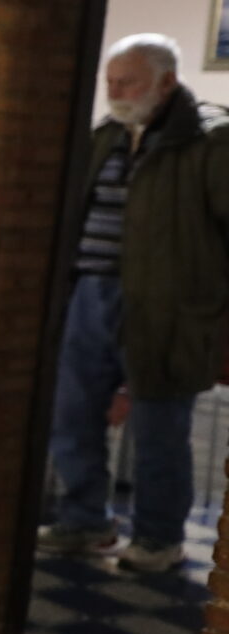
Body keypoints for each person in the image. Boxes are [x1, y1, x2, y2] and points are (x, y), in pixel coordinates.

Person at [39, 33, 229, 575]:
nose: (115, 92)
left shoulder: (210, 142)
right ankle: (84, 519)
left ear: (166, 82)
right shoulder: (107, 135)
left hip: (167, 308)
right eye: (111, 82)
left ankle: (159, 536)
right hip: (89, 296)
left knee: (158, 428)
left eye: (128, 82)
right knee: (72, 414)